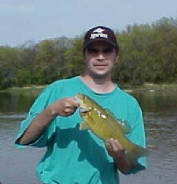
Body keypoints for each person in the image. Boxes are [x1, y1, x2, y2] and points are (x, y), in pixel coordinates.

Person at [15, 26, 147, 184]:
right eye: (93, 51)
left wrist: (119, 155)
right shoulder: (57, 89)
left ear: (116, 56)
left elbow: (127, 168)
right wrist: (51, 111)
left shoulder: (130, 104)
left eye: (107, 51)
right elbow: (24, 139)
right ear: (84, 56)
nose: (100, 57)